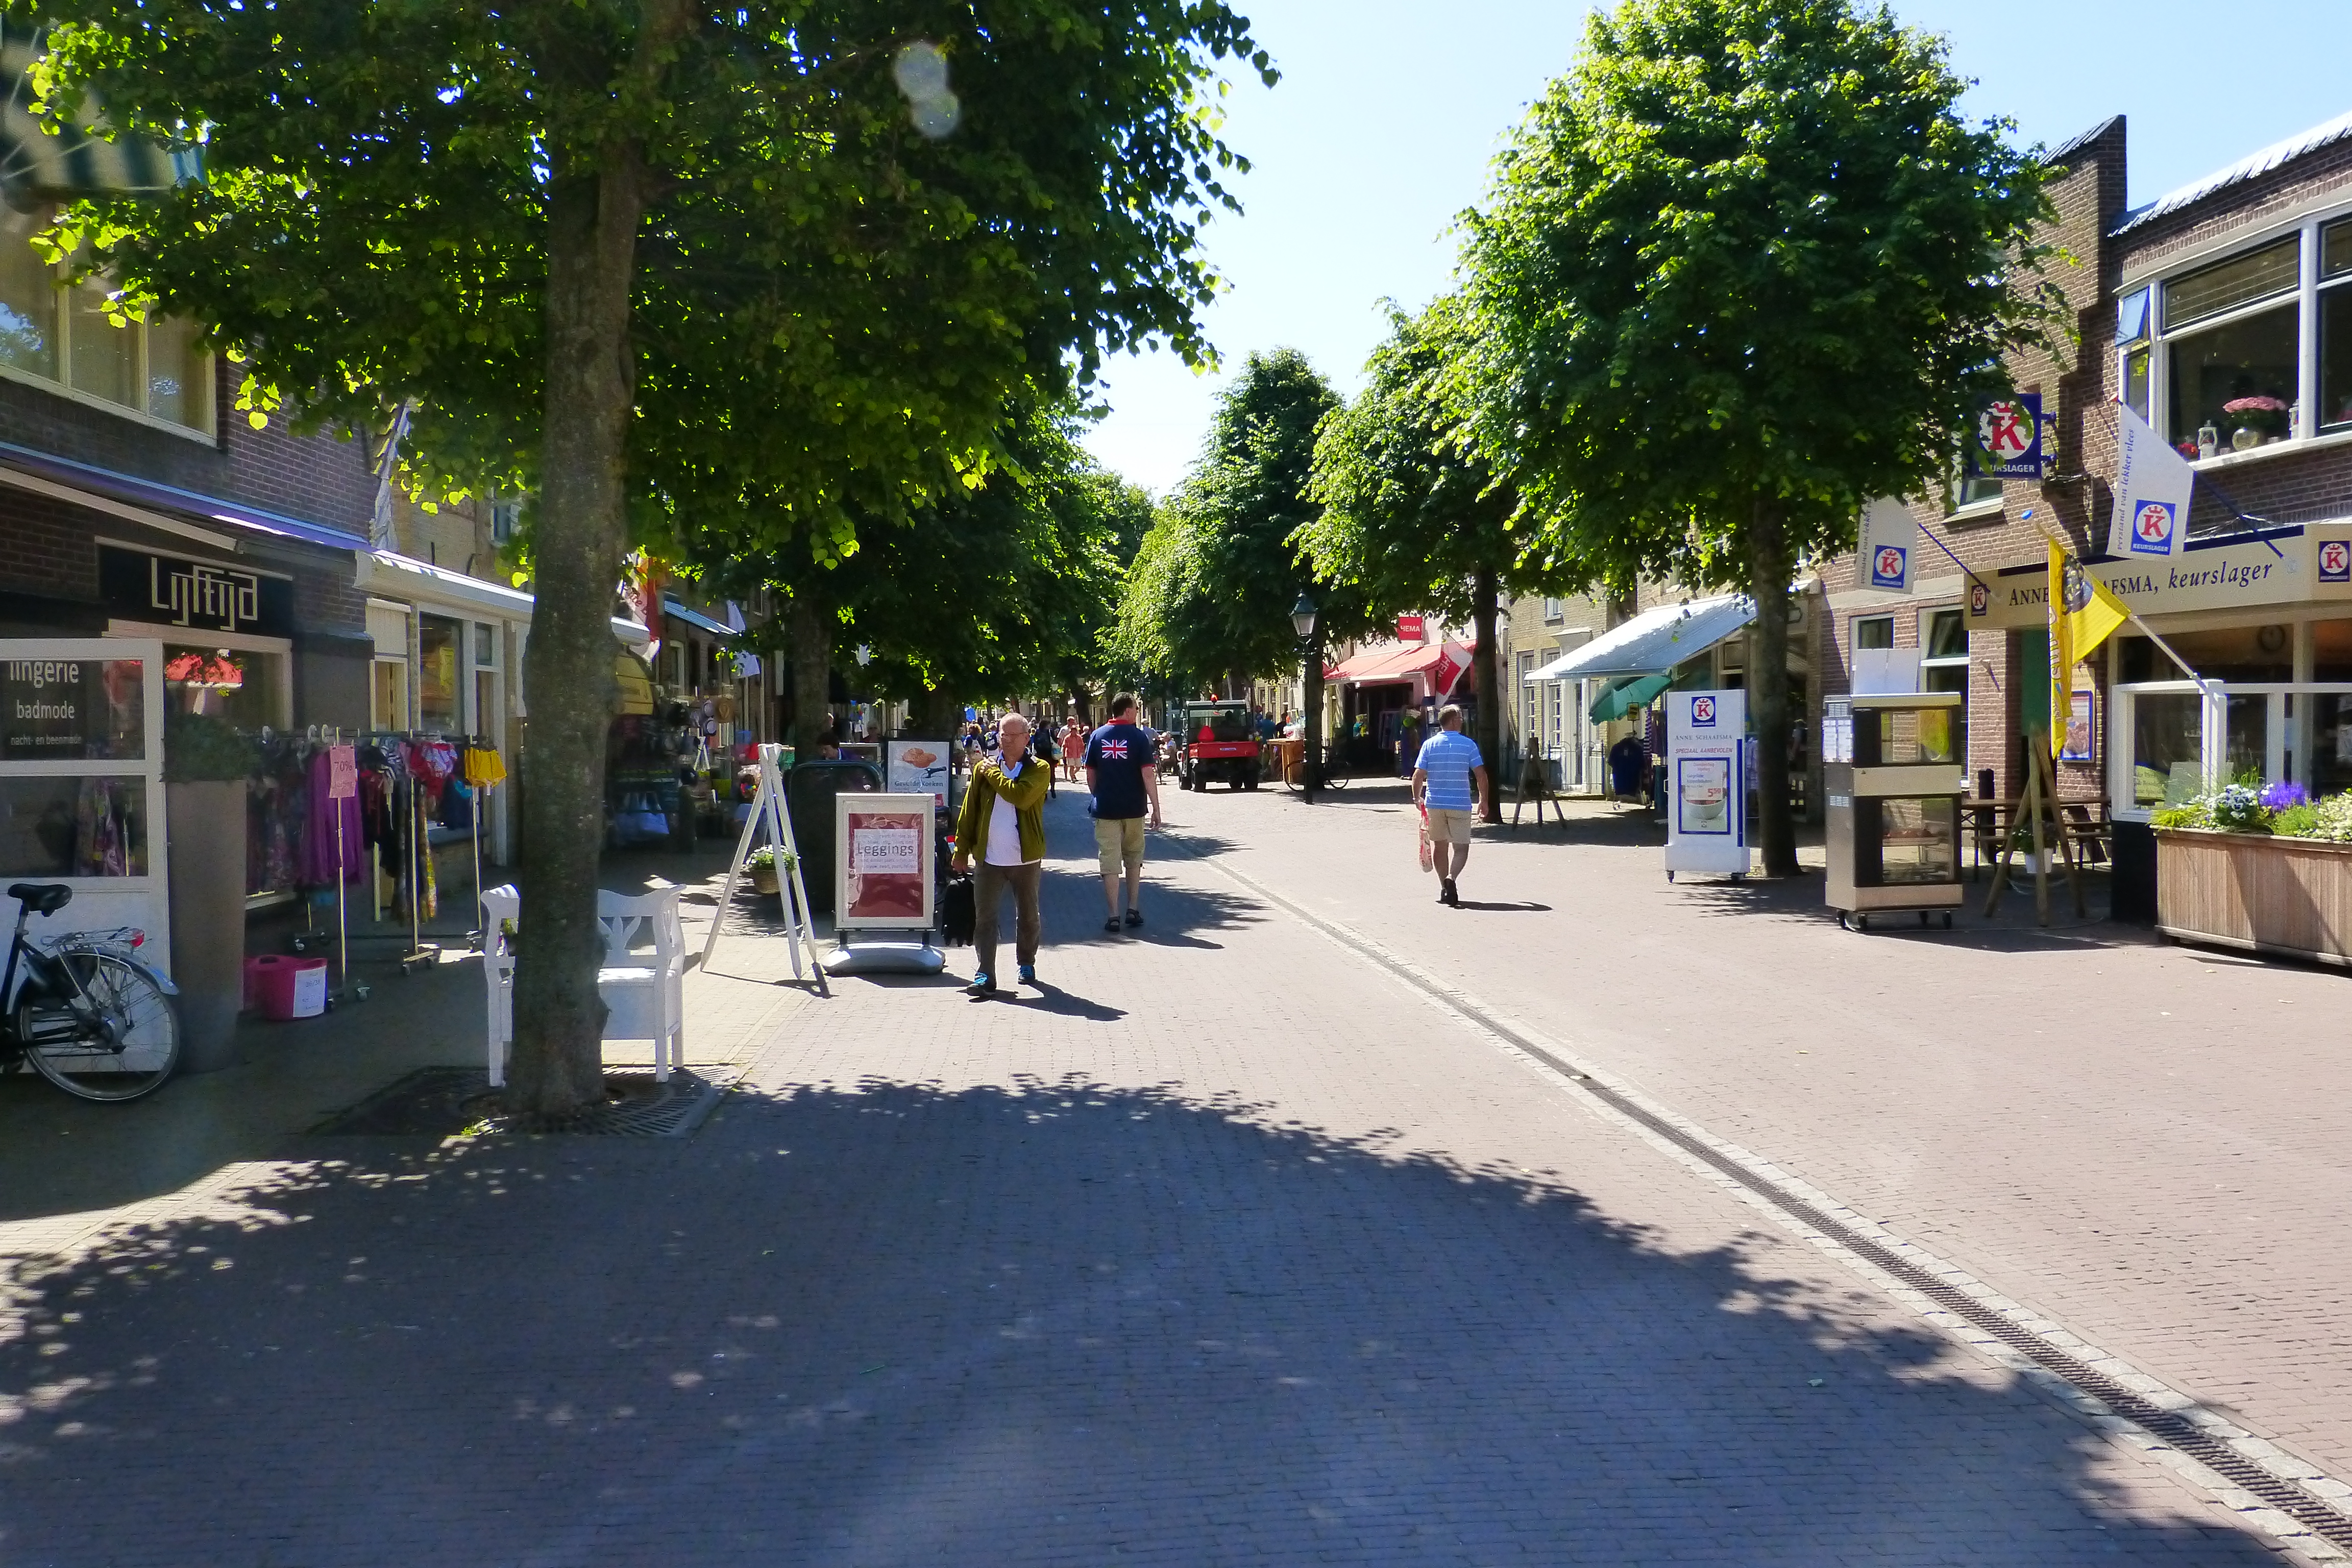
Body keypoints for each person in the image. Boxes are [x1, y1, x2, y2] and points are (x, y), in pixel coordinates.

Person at [950, 713, 1051, 996]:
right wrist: (961, 850)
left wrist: (989, 771)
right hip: (989, 858)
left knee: (1029, 915)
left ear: (1026, 738)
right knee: (985, 918)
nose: (1004, 741)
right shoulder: (985, 772)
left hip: (1025, 859)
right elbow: (969, 814)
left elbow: (1020, 796)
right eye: (1002, 735)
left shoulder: (1038, 769)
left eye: (1011, 736)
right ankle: (985, 973)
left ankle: (1027, 962)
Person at [1083, 692, 1164, 935]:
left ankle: (1113, 915)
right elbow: (1148, 775)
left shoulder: (1097, 737)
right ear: (1128, 711)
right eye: (1136, 709)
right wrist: (1156, 809)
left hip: (1106, 809)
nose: (1137, 713)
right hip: (1134, 808)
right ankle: (1132, 908)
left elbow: (1090, 774)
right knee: (1133, 858)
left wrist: (1099, 794)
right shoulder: (1139, 738)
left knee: (1109, 862)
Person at [1411, 703, 1488, 907]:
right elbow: (1481, 774)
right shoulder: (1468, 744)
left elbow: (1418, 774)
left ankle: (1444, 886)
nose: (1462, 722)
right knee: (1461, 848)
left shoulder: (1429, 745)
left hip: (1435, 803)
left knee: (1440, 846)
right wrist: (1484, 800)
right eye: (1460, 719)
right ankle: (1451, 879)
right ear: (1453, 721)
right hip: (1460, 803)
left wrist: (1417, 798)